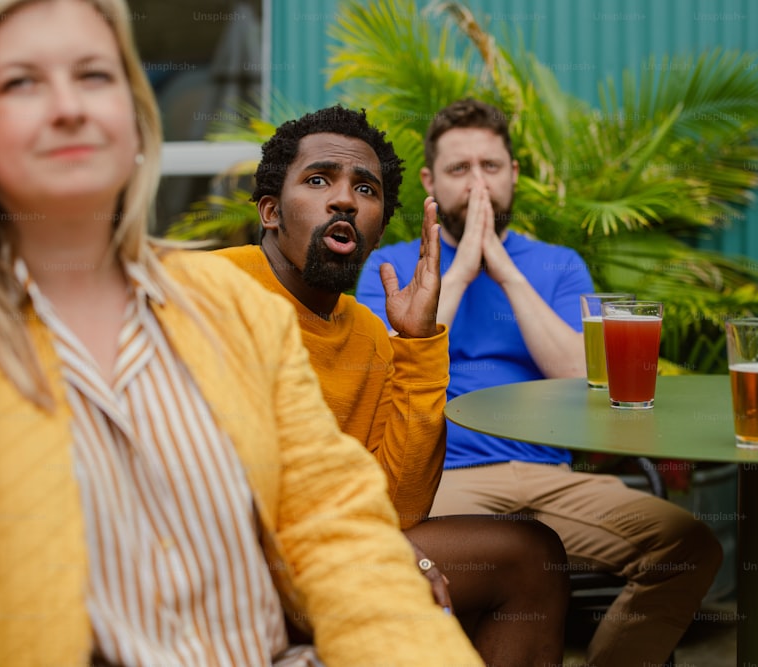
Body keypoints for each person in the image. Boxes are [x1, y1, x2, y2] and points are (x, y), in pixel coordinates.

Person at [0, 2, 485, 666]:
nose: (68, 105)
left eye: (95, 76)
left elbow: (335, 525)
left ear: (135, 120)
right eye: (21, 82)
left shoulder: (231, 308)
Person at [355, 98, 723, 667]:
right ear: (430, 181)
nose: (478, 185)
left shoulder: (557, 265)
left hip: (550, 477)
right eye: (459, 170)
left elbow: (581, 374)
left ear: (514, 174)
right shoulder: (393, 266)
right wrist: (461, 270)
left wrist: (503, 268)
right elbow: (383, 376)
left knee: (688, 548)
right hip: (444, 477)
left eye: (491, 167)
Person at [215, 105, 570, 666]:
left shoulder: (369, 336)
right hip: (231, 556)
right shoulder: (215, 289)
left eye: (365, 188)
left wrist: (420, 342)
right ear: (270, 211)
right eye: (317, 180)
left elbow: (403, 507)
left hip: (340, 547)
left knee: (532, 554)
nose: (344, 200)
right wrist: (378, 550)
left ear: (378, 227)